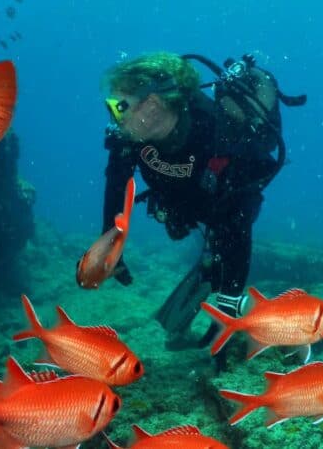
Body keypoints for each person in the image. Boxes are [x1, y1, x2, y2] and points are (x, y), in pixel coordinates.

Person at [100, 51, 305, 363]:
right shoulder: (131, 138)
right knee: (208, 247)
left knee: (223, 250)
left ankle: (223, 303)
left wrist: (228, 308)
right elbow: (116, 183)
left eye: (119, 106)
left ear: (152, 105)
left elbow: (237, 227)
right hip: (180, 201)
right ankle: (209, 271)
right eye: (112, 106)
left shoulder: (217, 132)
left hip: (229, 201)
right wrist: (111, 245)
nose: (115, 116)